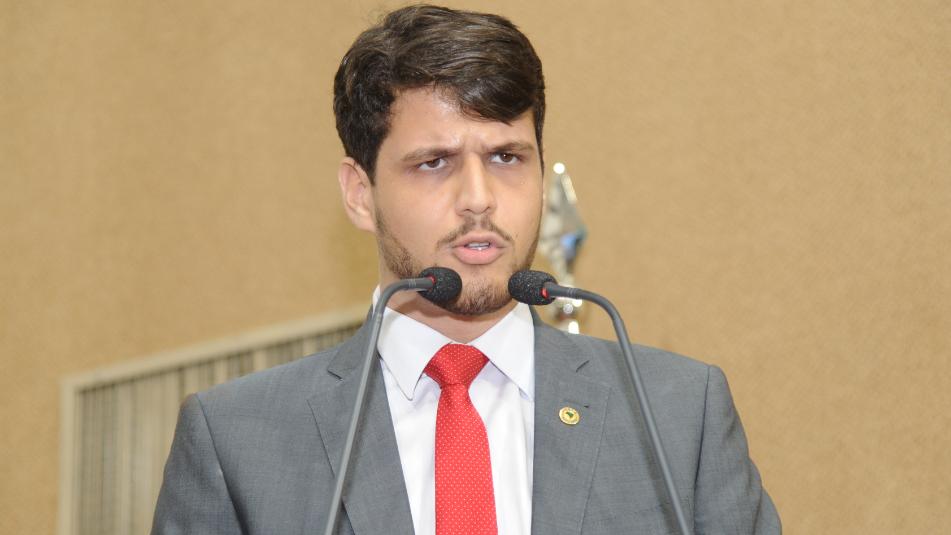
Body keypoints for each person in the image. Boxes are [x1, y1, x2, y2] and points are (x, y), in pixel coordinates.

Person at [152, 5, 781, 534]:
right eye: (434, 163)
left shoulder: (678, 414)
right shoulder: (238, 440)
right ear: (360, 194)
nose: (479, 198)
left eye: (507, 157)